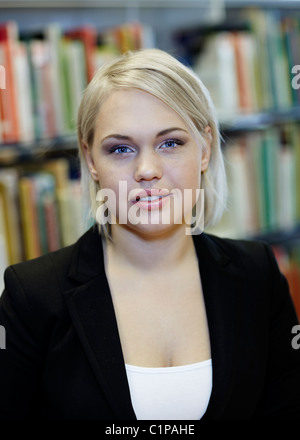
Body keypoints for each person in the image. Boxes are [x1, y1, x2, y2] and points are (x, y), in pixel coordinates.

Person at [0, 48, 299, 420]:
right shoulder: (32, 295)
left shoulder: (258, 273)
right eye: (121, 149)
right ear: (91, 160)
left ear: (204, 148)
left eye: (170, 143)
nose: (147, 170)